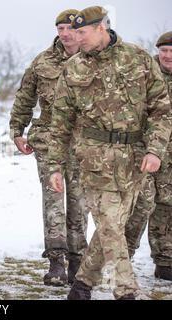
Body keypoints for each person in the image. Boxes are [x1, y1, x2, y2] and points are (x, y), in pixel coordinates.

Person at [47, 6, 172, 300]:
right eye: (73, 32)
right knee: (111, 225)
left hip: (134, 160)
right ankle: (126, 291)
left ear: (101, 28)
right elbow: (60, 121)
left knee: (112, 226)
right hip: (94, 160)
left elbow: (161, 110)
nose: (76, 38)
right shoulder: (73, 67)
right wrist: (54, 165)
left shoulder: (138, 58)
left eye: (82, 32)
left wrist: (155, 149)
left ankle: (81, 286)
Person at [9, 9, 88, 286]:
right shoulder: (42, 62)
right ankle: (56, 262)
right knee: (53, 199)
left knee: (79, 201)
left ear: (81, 31)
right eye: (60, 29)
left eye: (70, 29)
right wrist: (17, 131)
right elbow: (24, 97)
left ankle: (78, 261)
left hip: (84, 143)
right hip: (48, 139)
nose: (65, 34)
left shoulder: (93, 59)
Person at [125, 31, 172, 281]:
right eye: (164, 51)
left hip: (170, 156)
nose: (167, 56)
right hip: (144, 151)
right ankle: (124, 257)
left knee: (167, 205)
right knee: (141, 205)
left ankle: (165, 262)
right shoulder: (144, 74)